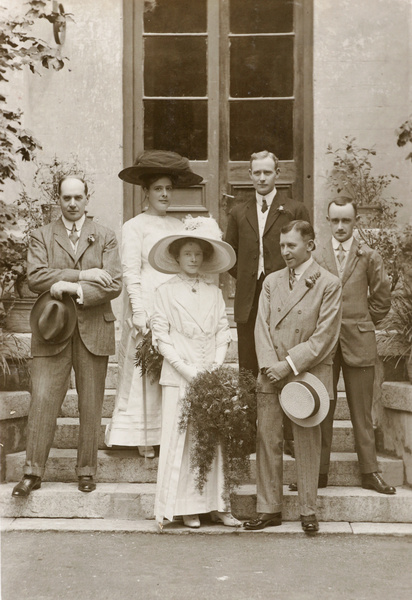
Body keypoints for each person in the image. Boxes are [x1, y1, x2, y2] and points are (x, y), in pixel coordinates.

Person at [12, 176, 122, 497]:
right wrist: (83, 274)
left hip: (94, 329)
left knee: (91, 405)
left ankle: (87, 471)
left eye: (78, 197)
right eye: (66, 198)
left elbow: (114, 283)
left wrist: (71, 288)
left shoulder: (105, 237)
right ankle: (32, 472)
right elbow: (36, 277)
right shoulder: (41, 235)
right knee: (44, 399)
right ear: (57, 199)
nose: (72, 203)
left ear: (88, 198)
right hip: (52, 330)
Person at [244, 221, 342, 533]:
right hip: (271, 371)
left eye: (292, 246)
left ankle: (308, 510)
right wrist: (269, 365)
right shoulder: (271, 282)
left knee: (307, 442)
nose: (285, 251)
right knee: (267, 439)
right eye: (282, 245)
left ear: (310, 246)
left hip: (306, 372)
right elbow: (261, 326)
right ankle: (268, 508)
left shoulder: (328, 283)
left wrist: (286, 365)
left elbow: (324, 338)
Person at [105, 151, 202, 458]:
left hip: (173, 303)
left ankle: (167, 432)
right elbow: (132, 271)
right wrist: (137, 311)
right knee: (144, 371)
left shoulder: (178, 224)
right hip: (146, 303)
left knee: (171, 368)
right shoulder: (135, 226)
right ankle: (140, 433)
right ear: (145, 192)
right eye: (157, 188)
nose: (163, 194)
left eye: (168, 189)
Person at [149, 216, 241, 529]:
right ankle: (186, 506)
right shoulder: (165, 292)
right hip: (180, 376)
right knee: (185, 442)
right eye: (187, 253)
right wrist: (189, 372)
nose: (192, 258)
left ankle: (218, 505)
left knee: (214, 439)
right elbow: (161, 337)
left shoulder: (213, 293)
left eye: (198, 253)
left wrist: (214, 368)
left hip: (208, 375)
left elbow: (221, 331)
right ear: (176, 257)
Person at [315, 197, 395, 494]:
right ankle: (318, 472)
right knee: (322, 409)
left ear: (355, 221)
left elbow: (382, 297)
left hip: (358, 341)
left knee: (361, 412)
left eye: (345, 220)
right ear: (328, 220)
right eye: (334, 220)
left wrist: (363, 320)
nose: (339, 226)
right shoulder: (318, 254)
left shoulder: (368, 255)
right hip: (324, 343)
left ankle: (370, 472)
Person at [225, 150, 311, 378]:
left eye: (267, 172)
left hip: (286, 293)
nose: (262, 178)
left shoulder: (295, 209)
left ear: (277, 174)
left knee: (282, 352)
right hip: (248, 296)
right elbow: (229, 255)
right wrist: (248, 275)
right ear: (250, 175)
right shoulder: (238, 212)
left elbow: (305, 250)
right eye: (257, 173)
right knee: (248, 361)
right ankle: (249, 411)